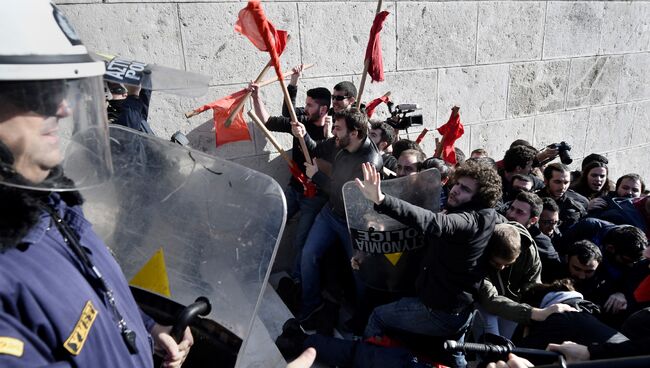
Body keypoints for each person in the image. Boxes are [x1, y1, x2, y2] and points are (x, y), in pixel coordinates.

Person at [0, 2, 191, 367]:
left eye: (62, 87)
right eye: (37, 91)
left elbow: (95, 291)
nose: (63, 109)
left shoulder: (51, 208)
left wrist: (147, 330)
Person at [356, 160, 503, 368]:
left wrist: (381, 199)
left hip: (439, 312)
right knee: (453, 357)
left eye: (465, 189)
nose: (455, 190)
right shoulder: (488, 215)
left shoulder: (469, 221)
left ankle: (363, 360)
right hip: (461, 310)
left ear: (479, 198)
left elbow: (435, 223)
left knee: (378, 317)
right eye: (457, 184)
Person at [291, 109, 383, 329]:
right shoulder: (341, 144)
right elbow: (316, 149)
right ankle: (310, 304)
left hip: (354, 224)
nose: (333, 132)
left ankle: (363, 319)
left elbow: (346, 194)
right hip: (330, 214)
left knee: (359, 271)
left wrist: (317, 176)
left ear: (356, 133)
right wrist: (302, 135)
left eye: (338, 128)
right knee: (308, 255)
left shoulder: (370, 163)